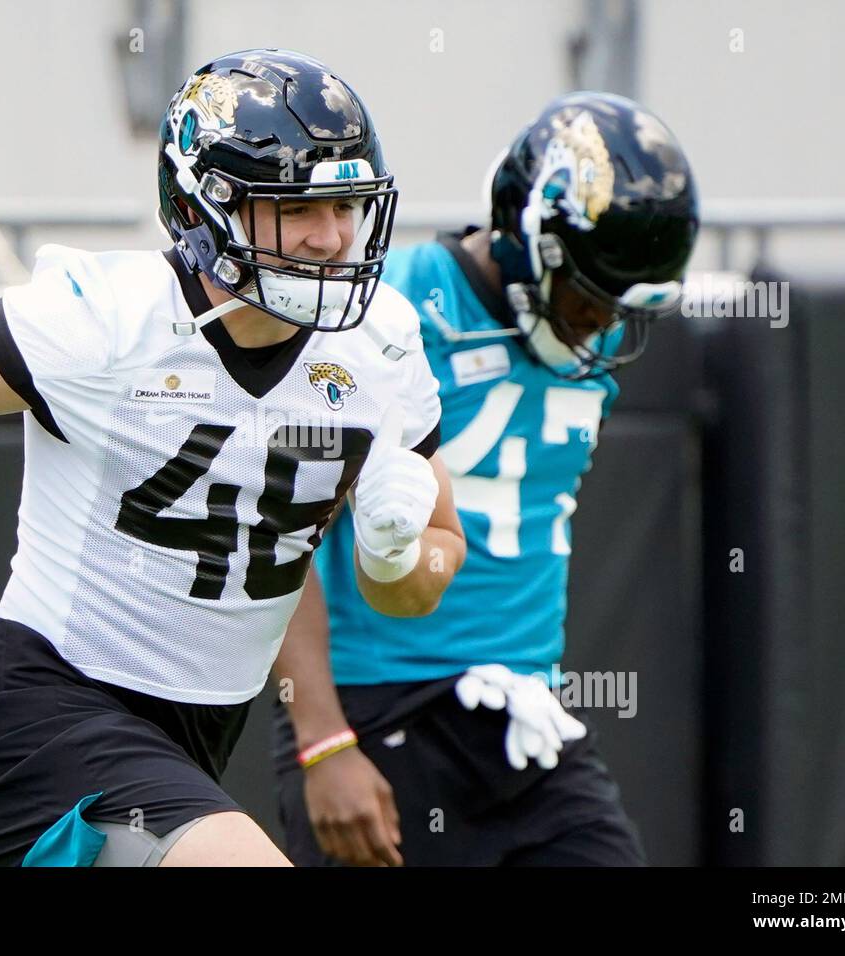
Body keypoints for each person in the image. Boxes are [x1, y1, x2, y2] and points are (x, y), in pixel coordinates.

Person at [0, 48, 465, 868]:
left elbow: (420, 581)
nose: (331, 238)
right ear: (205, 206)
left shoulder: (381, 343)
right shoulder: (105, 321)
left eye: (346, 205)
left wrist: (394, 552)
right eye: (296, 209)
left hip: (198, 732)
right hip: (44, 710)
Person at [272, 91, 699, 866]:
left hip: (523, 713)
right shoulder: (386, 309)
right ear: (526, 240)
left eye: (618, 306)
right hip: (379, 709)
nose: (600, 325)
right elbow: (277, 537)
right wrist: (323, 742)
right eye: (589, 297)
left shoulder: (581, 345)